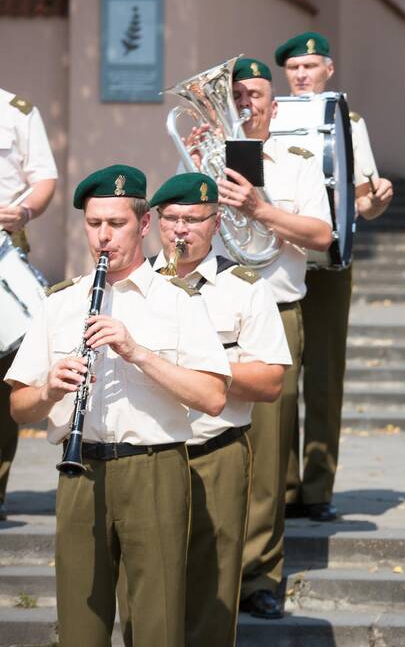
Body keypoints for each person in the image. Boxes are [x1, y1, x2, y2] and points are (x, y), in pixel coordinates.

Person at [5, 164, 231, 646]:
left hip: (155, 470)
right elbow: (20, 407)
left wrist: (137, 353)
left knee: (157, 624)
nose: (103, 237)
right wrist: (49, 389)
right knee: (80, 625)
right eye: (94, 224)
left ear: (144, 224)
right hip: (80, 472)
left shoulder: (178, 301)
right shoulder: (60, 303)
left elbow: (213, 397)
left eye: (117, 224)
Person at [148, 173, 291, 645]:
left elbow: (271, 380)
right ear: (153, 223)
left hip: (215, 452)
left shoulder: (246, 287)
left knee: (213, 595)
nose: (180, 230)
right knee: (148, 591)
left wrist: (202, 369)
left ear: (216, 223)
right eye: (171, 220)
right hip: (145, 456)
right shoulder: (135, 287)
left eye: (193, 220)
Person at [221, 58, 333, 619]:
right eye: (235, 93)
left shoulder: (298, 157)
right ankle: (213, 566)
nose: (245, 101)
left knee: (267, 454)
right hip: (213, 312)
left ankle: (260, 573)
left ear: (275, 102)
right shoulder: (207, 155)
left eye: (255, 93)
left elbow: (321, 232)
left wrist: (261, 210)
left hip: (276, 307)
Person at [272, 31, 394, 523]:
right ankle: (279, 488)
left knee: (323, 374)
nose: (301, 75)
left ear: (329, 69)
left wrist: (377, 203)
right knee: (277, 375)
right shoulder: (270, 117)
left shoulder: (348, 121)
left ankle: (318, 487)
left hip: (327, 261)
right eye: (294, 68)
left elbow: (361, 198)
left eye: (310, 66)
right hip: (277, 257)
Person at [0, 87, 58, 521]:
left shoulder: (16, 110)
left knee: (4, 378)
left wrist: (24, 212)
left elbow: (44, 179)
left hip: (4, 250)